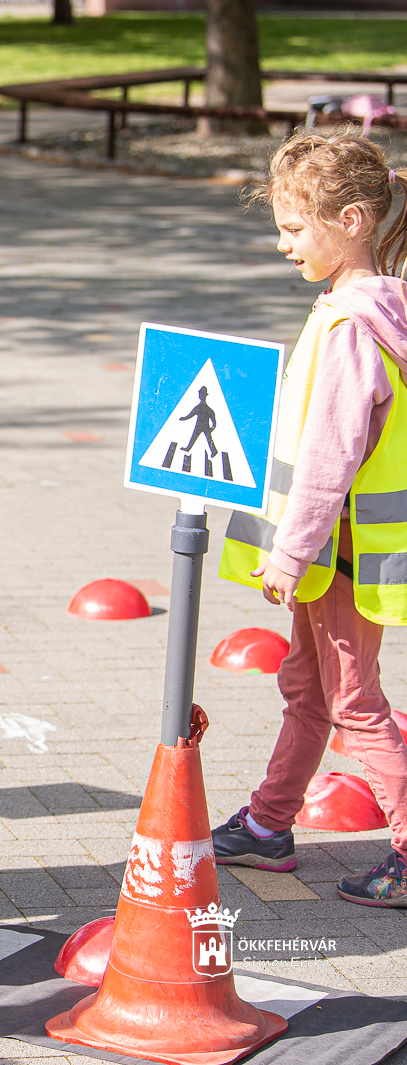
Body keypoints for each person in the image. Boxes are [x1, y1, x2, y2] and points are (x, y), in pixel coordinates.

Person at [215, 130, 407, 907]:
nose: (283, 243)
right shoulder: (363, 308)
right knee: (309, 685)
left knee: (354, 701)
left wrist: (289, 553)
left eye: (296, 228)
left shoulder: (350, 328)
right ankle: (268, 822)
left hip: (339, 553)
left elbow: (330, 458)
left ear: (352, 220)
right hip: (342, 551)